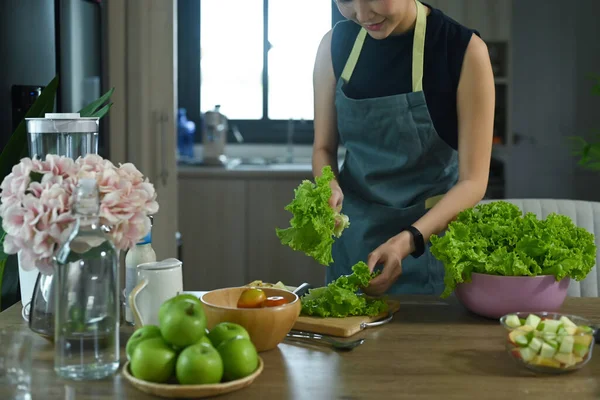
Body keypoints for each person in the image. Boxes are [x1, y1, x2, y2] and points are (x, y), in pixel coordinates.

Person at [312, 0, 495, 296]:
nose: (362, 14)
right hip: (353, 240)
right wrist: (327, 185)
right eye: (345, 0)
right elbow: (323, 147)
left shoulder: (463, 50)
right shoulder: (334, 45)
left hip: (429, 246)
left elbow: (473, 182)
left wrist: (407, 240)